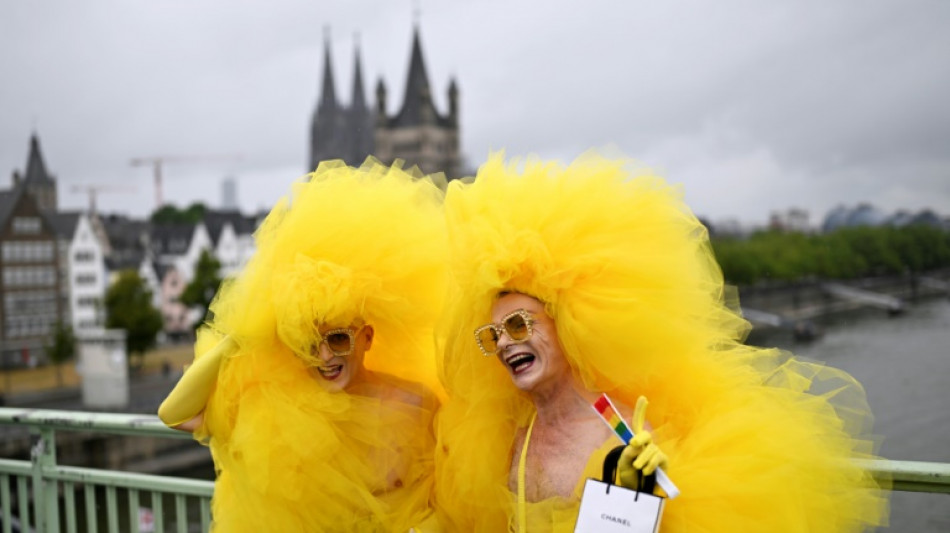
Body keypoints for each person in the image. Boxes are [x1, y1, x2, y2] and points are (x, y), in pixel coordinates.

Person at [432, 153, 888, 532]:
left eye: (517, 325)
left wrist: (638, 498)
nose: (504, 344)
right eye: (492, 335)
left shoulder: (623, 431)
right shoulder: (509, 434)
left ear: (563, 323)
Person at [158, 159, 447, 532]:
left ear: (367, 338)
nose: (324, 357)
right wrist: (244, 331)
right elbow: (176, 414)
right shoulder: (283, 411)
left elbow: (444, 495)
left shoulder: (416, 404)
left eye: (338, 338)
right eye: (309, 343)